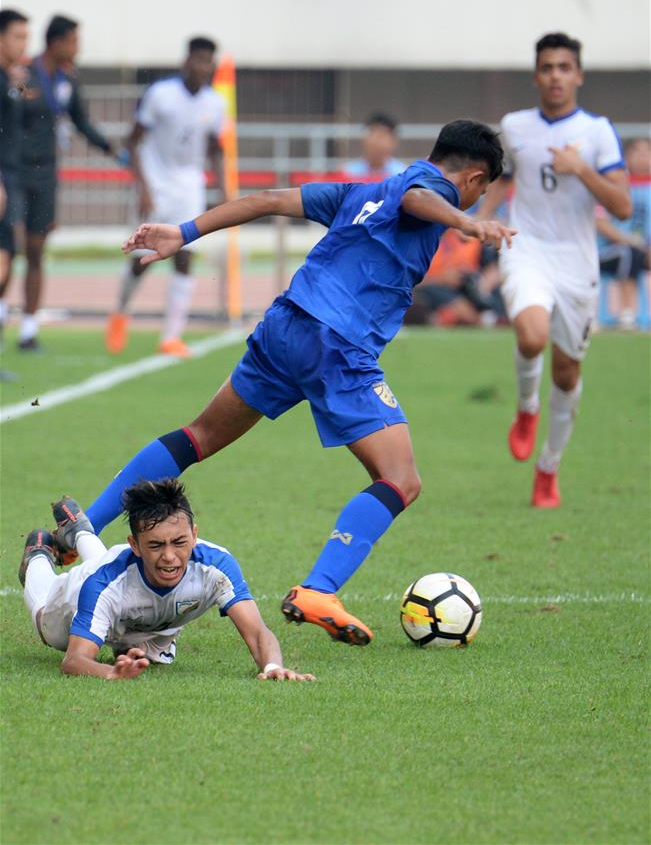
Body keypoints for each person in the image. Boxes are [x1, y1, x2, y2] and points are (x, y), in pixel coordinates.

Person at [82, 119, 514, 648]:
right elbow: (420, 199)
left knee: (199, 436)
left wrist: (184, 231)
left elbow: (266, 200)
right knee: (401, 479)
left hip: (286, 326)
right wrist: (466, 223)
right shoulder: (432, 193)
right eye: (477, 194)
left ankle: (81, 527)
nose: (470, 202)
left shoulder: (361, 192)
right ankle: (318, 590)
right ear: (473, 179)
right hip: (337, 345)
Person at [477, 32, 632, 508]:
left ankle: (549, 467)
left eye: (564, 67)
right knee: (531, 336)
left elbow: (623, 206)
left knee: (566, 375)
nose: (555, 76)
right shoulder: (515, 126)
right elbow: (502, 180)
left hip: (577, 263)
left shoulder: (598, 132)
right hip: (526, 248)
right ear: (536, 76)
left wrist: (581, 169)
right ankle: (527, 407)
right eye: (547, 68)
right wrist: (483, 217)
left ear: (578, 75)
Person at [18, 481, 315, 681]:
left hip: (144, 622)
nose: (170, 556)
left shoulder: (216, 566)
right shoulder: (101, 585)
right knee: (48, 626)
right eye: (156, 545)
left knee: (149, 658)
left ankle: (79, 530)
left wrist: (273, 666)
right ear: (135, 545)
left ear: (194, 534)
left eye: (180, 542)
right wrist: (110, 673)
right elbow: (73, 661)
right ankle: (38, 554)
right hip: (87, 592)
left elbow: (258, 632)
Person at [105, 37, 224, 359]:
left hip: (189, 189)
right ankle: (120, 312)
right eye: (198, 60)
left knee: (185, 258)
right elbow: (132, 141)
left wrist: (224, 189)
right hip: (156, 186)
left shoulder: (215, 103)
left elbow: (216, 149)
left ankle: (171, 336)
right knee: (141, 260)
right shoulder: (161, 94)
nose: (203, 67)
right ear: (187, 61)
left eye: (208, 62)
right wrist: (143, 188)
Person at [16, 14, 116, 351]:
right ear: (56, 42)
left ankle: (28, 330)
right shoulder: (24, 74)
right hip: (14, 172)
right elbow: (10, 111)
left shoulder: (67, 79)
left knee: (36, 249)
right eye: (74, 41)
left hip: (46, 175)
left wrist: (112, 149)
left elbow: (81, 122)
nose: (77, 48)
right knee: (7, 248)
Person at [0, 8, 29, 367]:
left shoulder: (11, 78)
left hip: (11, 176)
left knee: (8, 256)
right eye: (18, 37)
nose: (24, 44)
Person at [597, 138, 651, 329]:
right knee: (628, 253)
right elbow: (599, 220)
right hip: (607, 250)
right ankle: (627, 313)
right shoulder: (611, 185)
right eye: (637, 152)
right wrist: (633, 241)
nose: (643, 158)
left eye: (647, 153)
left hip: (643, 249)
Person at [343, 113, 406, 179]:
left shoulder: (402, 174)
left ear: (393, 142)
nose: (379, 144)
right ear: (364, 140)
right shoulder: (348, 173)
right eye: (376, 137)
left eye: (383, 137)